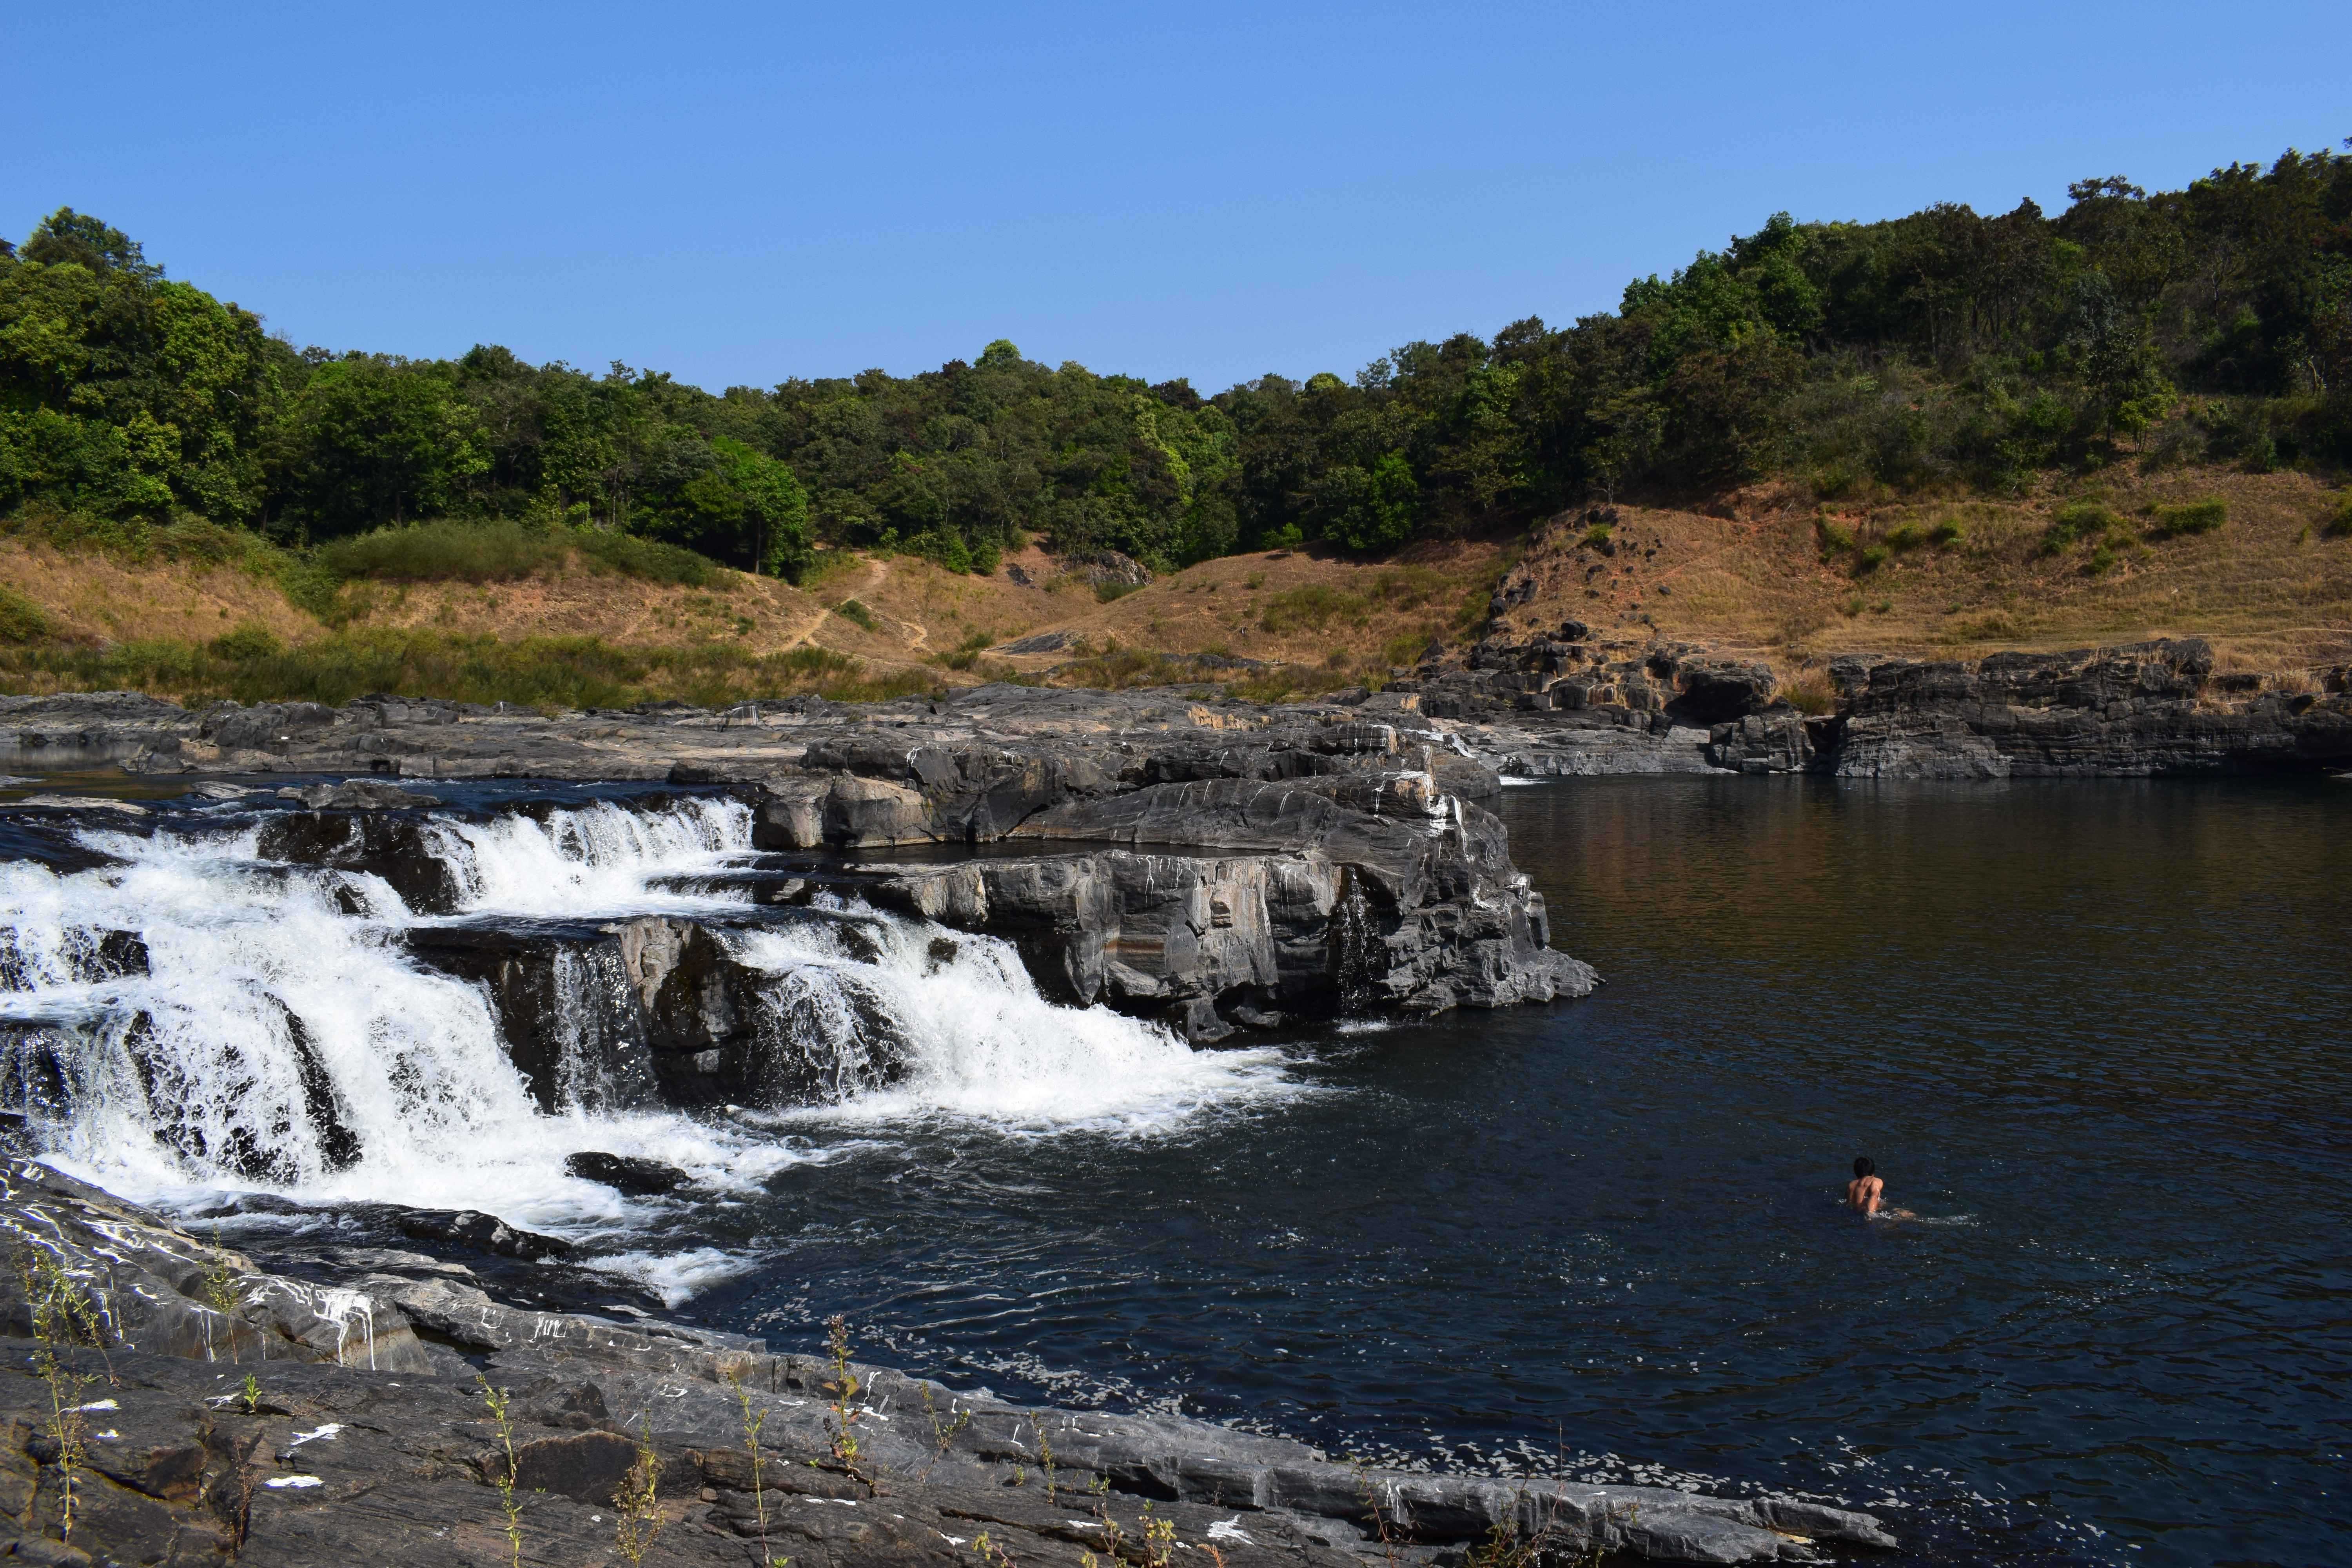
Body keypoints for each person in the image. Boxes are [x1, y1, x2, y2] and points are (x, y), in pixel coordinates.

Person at [1846, 1156, 1913, 1219]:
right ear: (1873, 1173)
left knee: (1883, 1204)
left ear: (1856, 1173)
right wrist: (1870, 1215)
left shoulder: (1851, 1185)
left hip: (1855, 1214)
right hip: (1869, 1214)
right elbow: (1874, 1197)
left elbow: (1849, 1204)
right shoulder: (1875, 1181)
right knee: (1906, 1214)